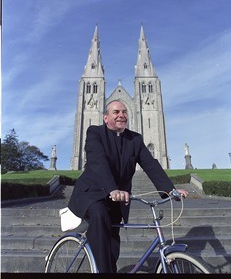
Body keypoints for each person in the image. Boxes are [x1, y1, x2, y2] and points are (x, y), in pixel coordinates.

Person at [68, 100, 188, 273]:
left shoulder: (135, 139)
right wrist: (112, 189)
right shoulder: (95, 133)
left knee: (112, 246)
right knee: (99, 214)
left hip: (117, 199)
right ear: (106, 117)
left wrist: (170, 190)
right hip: (91, 194)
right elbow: (98, 162)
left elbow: (151, 164)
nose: (121, 115)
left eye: (124, 112)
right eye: (116, 112)